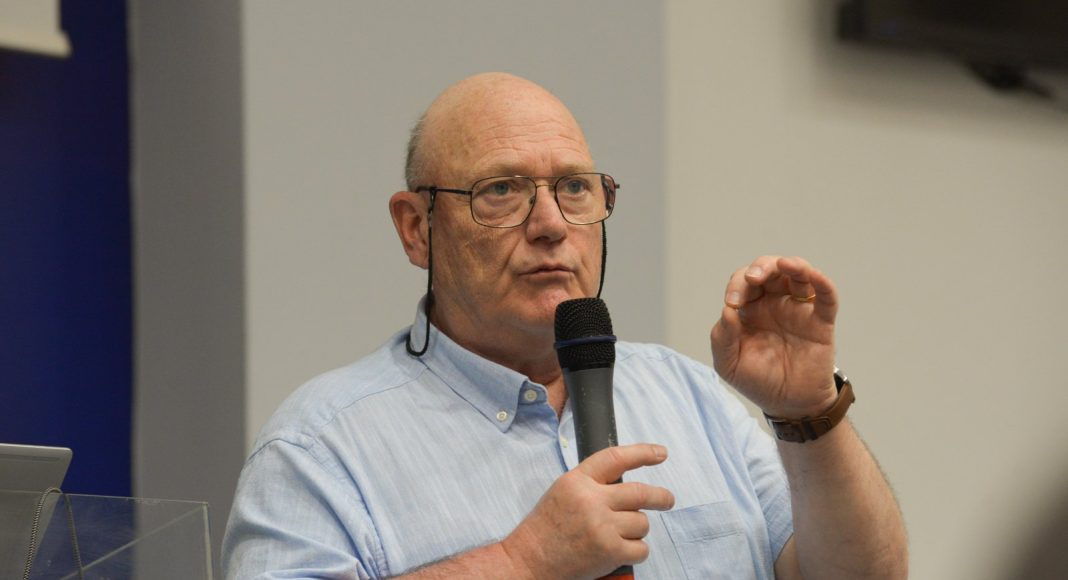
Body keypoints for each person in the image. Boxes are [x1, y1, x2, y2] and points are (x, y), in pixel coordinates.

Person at [222, 72, 908, 579]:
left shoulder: (693, 399)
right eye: (501, 190)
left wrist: (809, 414)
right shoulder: (318, 447)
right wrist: (521, 562)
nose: (551, 224)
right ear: (416, 228)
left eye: (574, 188)